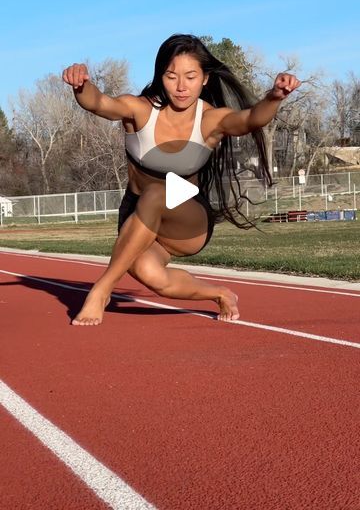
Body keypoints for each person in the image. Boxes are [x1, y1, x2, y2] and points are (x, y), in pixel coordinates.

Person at [62, 34, 300, 325]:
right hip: (138, 215)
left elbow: (251, 119)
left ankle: (102, 289)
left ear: (205, 79)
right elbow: (98, 103)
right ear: (161, 75)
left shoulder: (210, 120)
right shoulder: (140, 110)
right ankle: (221, 294)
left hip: (187, 220)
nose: (181, 86)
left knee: (158, 193)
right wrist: (81, 85)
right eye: (172, 76)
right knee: (151, 274)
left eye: (190, 76)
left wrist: (274, 97)